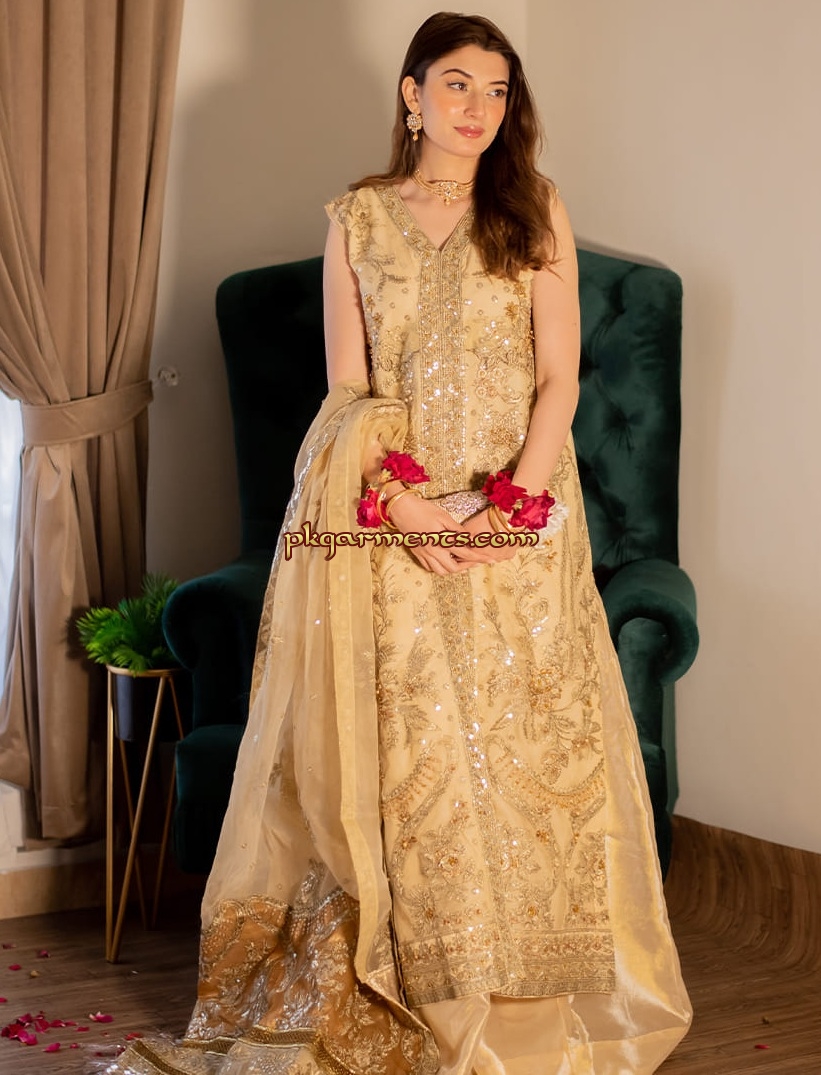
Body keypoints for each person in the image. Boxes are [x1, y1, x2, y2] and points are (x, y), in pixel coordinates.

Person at [111, 12, 691, 1075]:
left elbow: (557, 378)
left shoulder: (534, 208)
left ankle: (517, 1002)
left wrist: (509, 507)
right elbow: (348, 391)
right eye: (457, 83)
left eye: (498, 90)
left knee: (521, 758)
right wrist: (402, 505)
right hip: (391, 523)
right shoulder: (358, 218)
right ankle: (414, 986)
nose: (478, 108)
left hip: (522, 524)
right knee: (416, 758)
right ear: (411, 94)